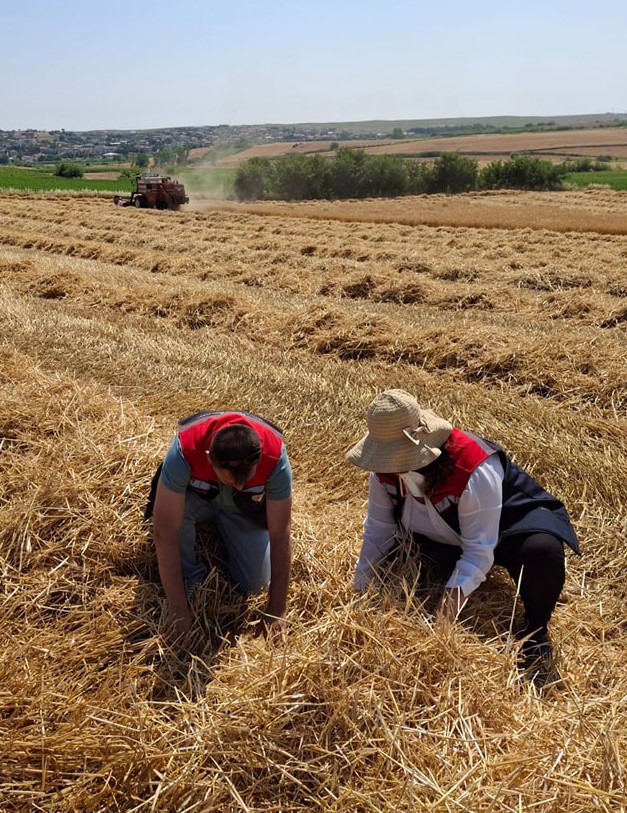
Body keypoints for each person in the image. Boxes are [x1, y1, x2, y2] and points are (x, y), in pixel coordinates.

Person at [346, 389, 579, 680]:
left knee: (541, 552)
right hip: (444, 533)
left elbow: (479, 550)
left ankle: (535, 632)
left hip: (506, 529)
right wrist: (359, 592)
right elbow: (379, 529)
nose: (387, 465)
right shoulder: (383, 471)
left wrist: (441, 622)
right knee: (396, 565)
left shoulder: (473, 467)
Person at [148, 409, 292, 643]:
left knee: (256, 585)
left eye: (245, 478)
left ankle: (227, 530)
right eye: (229, 477)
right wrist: (178, 609)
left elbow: (280, 533)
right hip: (195, 501)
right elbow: (164, 531)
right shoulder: (186, 449)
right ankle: (190, 577)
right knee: (174, 520)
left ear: (260, 457)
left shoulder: (275, 456)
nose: (237, 484)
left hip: (239, 507)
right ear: (208, 457)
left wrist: (277, 609)